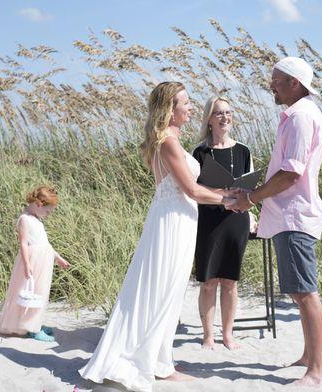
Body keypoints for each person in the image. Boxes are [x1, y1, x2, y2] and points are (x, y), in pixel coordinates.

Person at [80, 82, 236, 392]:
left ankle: (161, 359)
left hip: (179, 217)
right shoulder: (167, 142)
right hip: (172, 222)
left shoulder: (172, 139)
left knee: (172, 290)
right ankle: (152, 362)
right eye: (185, 103)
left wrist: (225, 191)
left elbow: (189, 187)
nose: (190, 108)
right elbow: (190, 190)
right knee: (163, 289)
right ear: (170, 109)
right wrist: (229, 200)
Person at [230, 57, 322, 387]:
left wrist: (251, 198)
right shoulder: (296, 115)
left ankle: (315, 371)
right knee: (300, 293)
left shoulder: (301, 117)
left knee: (306, 293)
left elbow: (290, 174)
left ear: (294, 83)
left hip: (295, 214)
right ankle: (306, 356)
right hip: (288, 214)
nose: (270, 84)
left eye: (276, 80)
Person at [192, 96, 255, 350]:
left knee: (230, 281)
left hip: (235, 220)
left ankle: (228, 335)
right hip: (208, 220)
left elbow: (251, 187)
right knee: (209, 281)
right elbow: (193, 186)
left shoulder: (243, 150)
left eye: (228, 112)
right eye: (219, 113)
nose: (224, 117)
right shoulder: (200, 151)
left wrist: (252, 214)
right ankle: (208, 335)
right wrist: (219, 191)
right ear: (209, 119)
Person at [0, 186, 70, 342]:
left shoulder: (37, 219)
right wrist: (27, 264)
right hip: (33, 260)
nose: (48, 215)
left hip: (44, 260)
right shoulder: (25, 219)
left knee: (40, 293)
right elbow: (23, 243)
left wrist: (58, 258)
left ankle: (34, 323)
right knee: (32, 292)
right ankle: (30, 328)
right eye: (48, 211)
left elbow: (45, 243)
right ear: (39, 204)